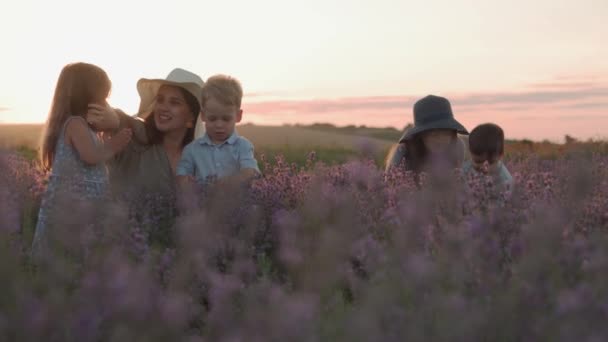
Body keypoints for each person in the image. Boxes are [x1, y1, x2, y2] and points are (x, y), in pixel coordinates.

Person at [32, 62, 132, 255]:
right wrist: (114, 144)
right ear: (85, 96)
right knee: (66, 254)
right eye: (102, 96)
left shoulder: (85, 127)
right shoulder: (75, 124)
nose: (105, 103)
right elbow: (90, 157)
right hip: (72, 208)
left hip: (86, 207)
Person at [86, 68, 204, 198]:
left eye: (174, 103)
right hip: (119, 217)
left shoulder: (200, 159)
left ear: (192, 118)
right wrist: (115, 119)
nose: (163, 107)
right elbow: (113, 116)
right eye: (160, 100)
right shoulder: (137, 134)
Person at [176, 74, 260, 188]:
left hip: (237, 204)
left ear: (238, 116)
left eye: (226, 119)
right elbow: (182, 176)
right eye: (212, 119)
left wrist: (228, 184)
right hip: (202, 204)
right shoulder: (192, 150)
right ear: (203, 116)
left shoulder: (243, 146)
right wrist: (185, 181)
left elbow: (250, 172)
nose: (219, 125)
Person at [385, 95, 469, 178]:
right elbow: (390, 186)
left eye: (446, 134)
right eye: (433, 134)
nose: (440, 140)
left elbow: (457, 183)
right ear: (421, 135)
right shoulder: (403, 151)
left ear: (452, 133)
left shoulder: (458, 146)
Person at [462, 123, 513, 191]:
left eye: (490, 162)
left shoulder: (505, 182)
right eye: (478, 161)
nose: (484, 167)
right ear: (471, 153)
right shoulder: (465, 169)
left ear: (500, 155)